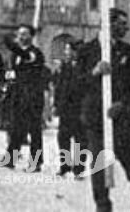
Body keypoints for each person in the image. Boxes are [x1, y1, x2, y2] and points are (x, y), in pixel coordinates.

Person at [79, 9, 130, 212]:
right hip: (97, 119)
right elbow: (76, 84)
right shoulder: (87, 50)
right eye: (122, 23)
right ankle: (102, 204)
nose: (126, 27)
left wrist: (123, 105)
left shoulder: (127, 51)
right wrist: (94, 72)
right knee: (99, 164)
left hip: (122, 119)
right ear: (108, 25)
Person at [3, 24, 47, 172]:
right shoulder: (15, 55)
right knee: (16, 127)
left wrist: (10, 43)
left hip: (33, 96)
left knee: (34, 130)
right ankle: (10, 159)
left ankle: (36, 162)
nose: (21, 37)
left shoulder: (35, 53)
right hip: (19, 94)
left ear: (31, 36)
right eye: (19, 34)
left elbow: (22, 54)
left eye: (24, 34)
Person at [53, 40, 87, 178]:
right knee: (63, 138)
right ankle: (65, 166)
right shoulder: (64, 67)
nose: (66, 53)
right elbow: (59, 87)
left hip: (79, 109)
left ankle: (79, 168)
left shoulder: (84, 68)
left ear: (75, 52)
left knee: (80, 139)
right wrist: (56, 104)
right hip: (65, 109)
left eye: (68, 50)